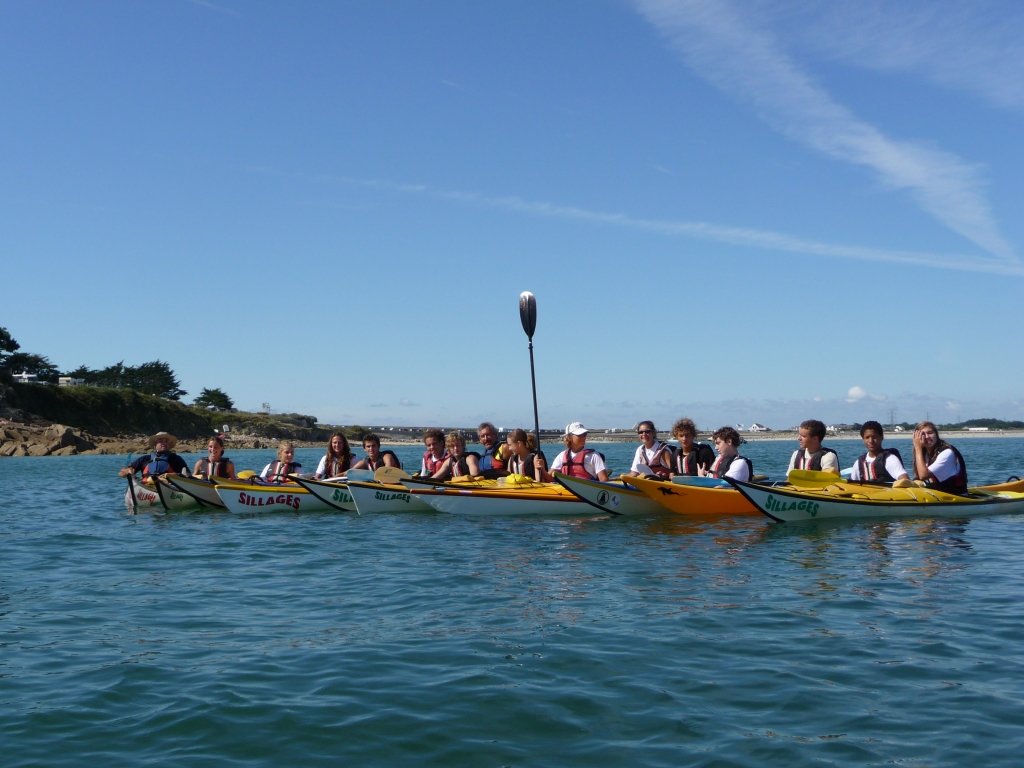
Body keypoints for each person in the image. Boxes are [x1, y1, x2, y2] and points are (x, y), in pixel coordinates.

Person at [912, 420, 968, 493]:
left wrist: (917, 448)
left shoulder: (947, 453)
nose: (927, 437)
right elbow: (919, 477)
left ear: (936, 434)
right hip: (935, 491)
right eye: (922, 434)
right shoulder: (924, 453)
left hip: (954, 494)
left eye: (930, 433)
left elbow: (923, 475)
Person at [119, 432, 189, 479]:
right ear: (155, 445)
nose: (163, 443)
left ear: (170, 445)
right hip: (146, 488)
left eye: (166, 441)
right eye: (160, 441)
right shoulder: (144, 459)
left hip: (169, 488)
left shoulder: (176, 459)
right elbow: (122, 473)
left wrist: (176, 475)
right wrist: (127, 472)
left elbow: (188, 476)